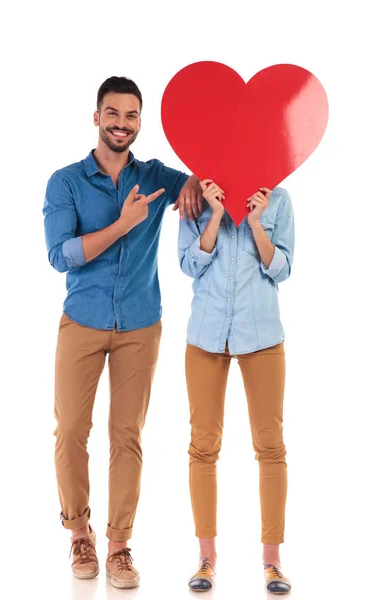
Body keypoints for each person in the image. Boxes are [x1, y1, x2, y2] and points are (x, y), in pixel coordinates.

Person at [43, 76, 202, 588]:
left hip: (140, 324)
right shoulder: (65, 182)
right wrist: (124, 224)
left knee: (126, 436)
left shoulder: (156, 175)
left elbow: (201, 186)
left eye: (131, 116)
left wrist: (204, 188)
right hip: (82, 322)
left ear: (139, 122)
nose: (121, 123)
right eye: (112, 113)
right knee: (70, 431)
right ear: (96, 118)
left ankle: (118, 546)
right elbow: (59, 255)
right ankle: (79, 534)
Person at [179, 179, 295, 594]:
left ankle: (272, 561)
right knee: (203, 446)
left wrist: (256, 223)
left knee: (270, 447)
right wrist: (213, 215)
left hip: (261, 334)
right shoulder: (197, 196)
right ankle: (206, 559)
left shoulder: (279, 200)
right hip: (206, 334)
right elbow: (189, 265)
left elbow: (282, 268)